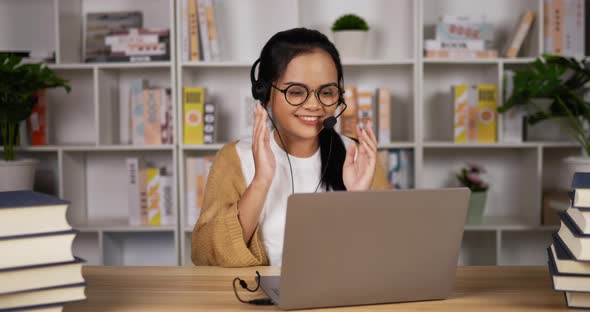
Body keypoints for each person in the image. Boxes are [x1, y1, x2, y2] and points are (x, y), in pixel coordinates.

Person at [191, 27, 389, 267]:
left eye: (327, 92)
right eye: (296, 92)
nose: (314, 105)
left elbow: (387, 257)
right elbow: (204, 255)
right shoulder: (234, 157)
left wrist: (358, 200)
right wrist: (260, 182)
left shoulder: (359, 157)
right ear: (264, 94)